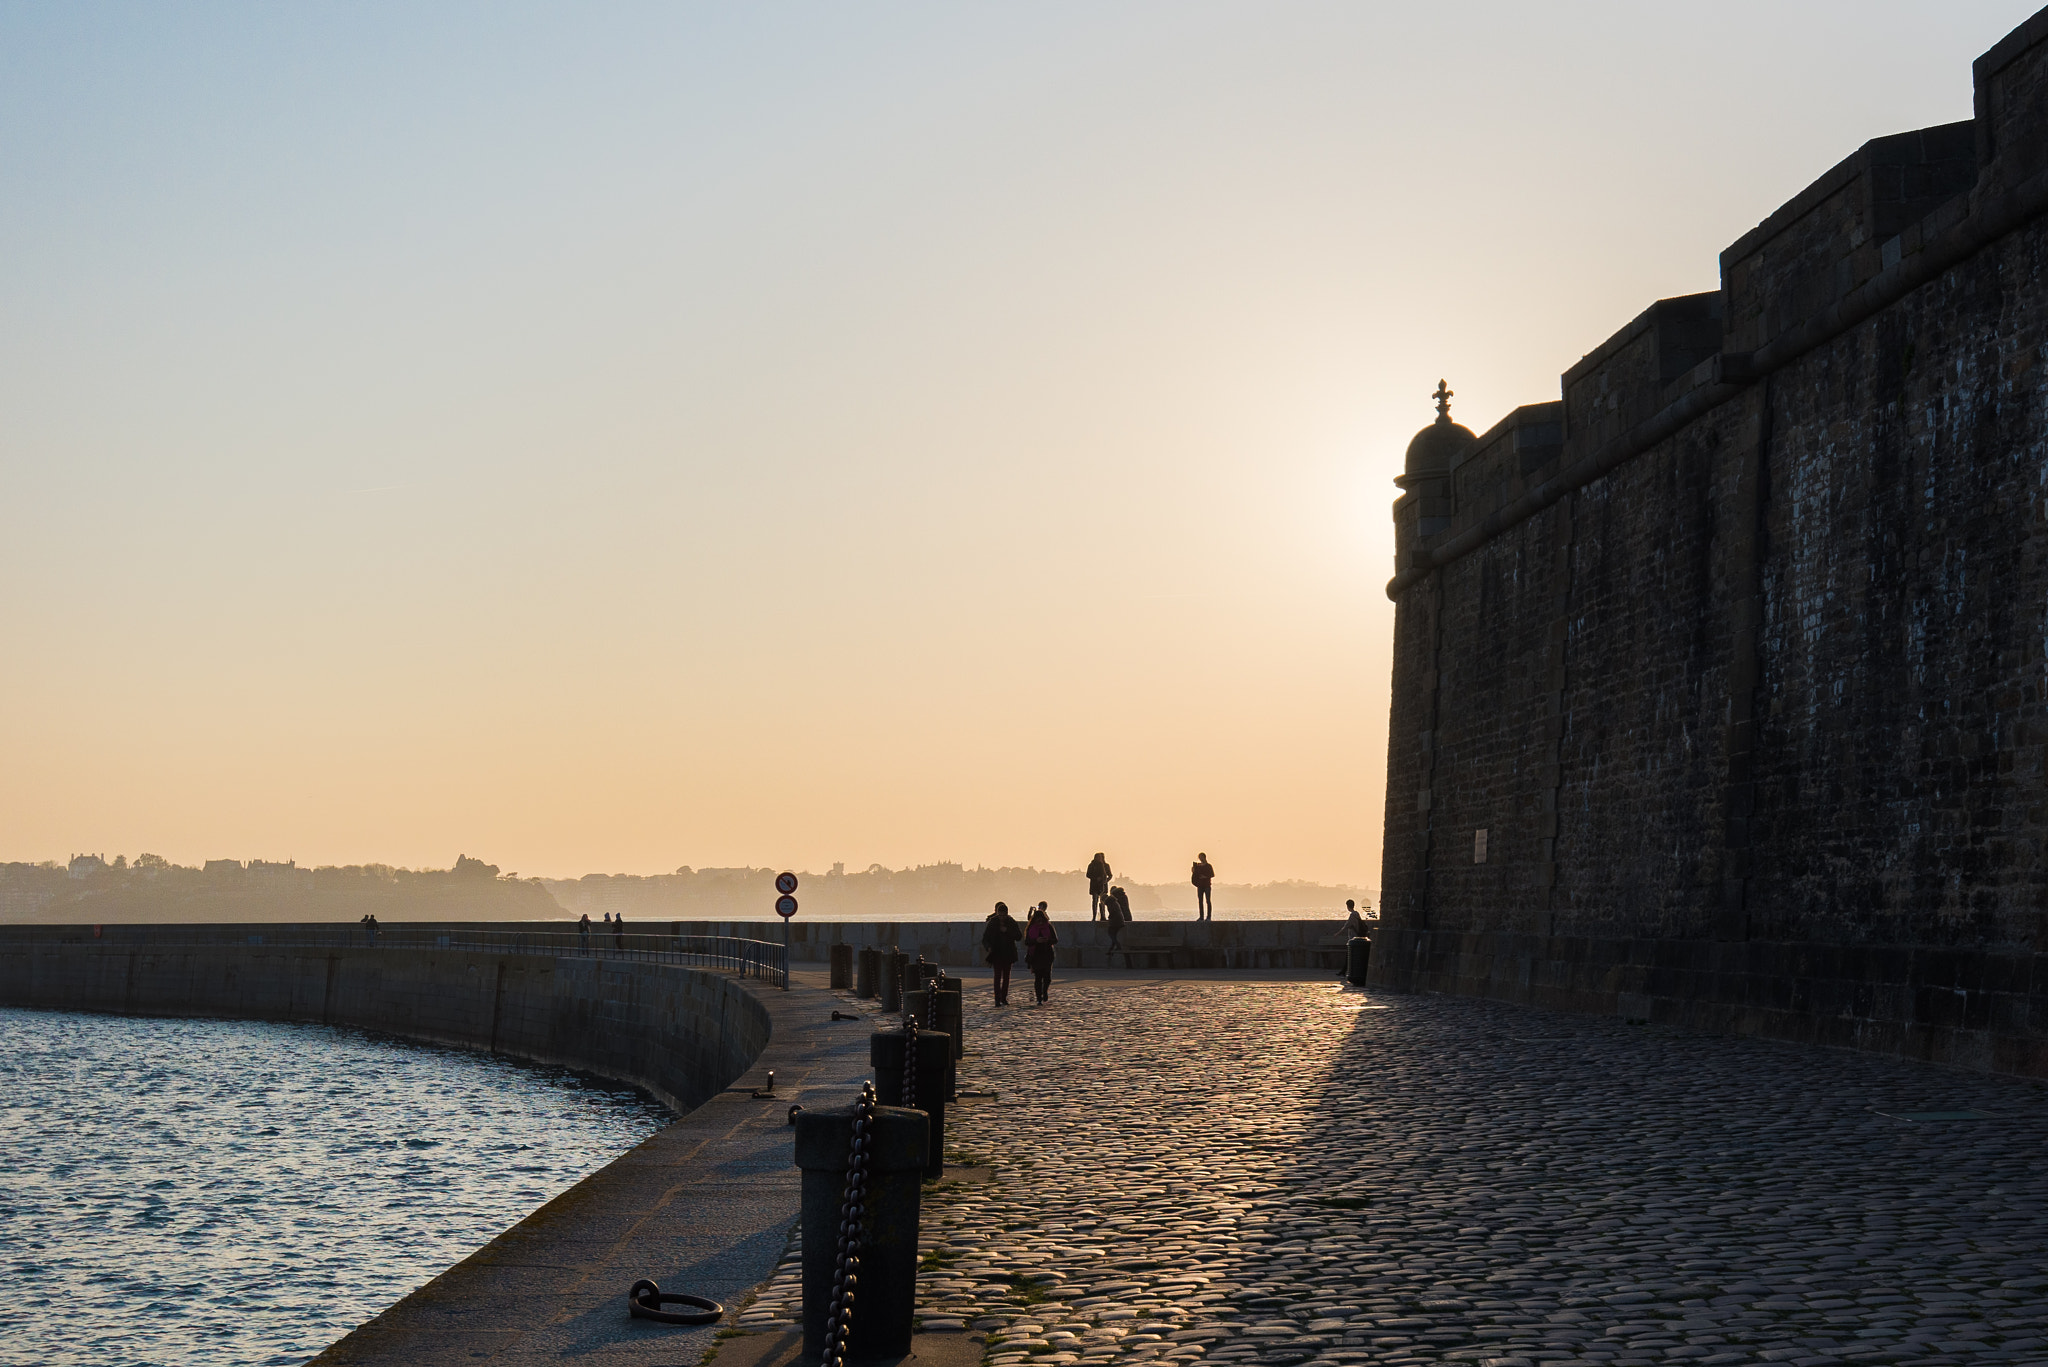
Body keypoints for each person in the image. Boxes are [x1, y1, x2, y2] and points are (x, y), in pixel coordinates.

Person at [982, 902, 1022, 1006]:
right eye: (1000, 915)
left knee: (1006, 977)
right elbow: (985, 938)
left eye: (1003, 915)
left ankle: (1003, 998)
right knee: (997, 976)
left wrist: (1007, 931)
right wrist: (988, 947)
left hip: (1008, 953)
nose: (1002, 918)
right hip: (996, 953)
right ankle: (997, 999)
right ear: (997, 913)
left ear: (1007, 914)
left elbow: (1019, 936)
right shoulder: (992, 923)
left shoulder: (1011, 922)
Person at [1023, 906, 1059, 1005]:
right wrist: (1036, 941)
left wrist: (1048, 940)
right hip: (1035, 955)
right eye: (1037, 920)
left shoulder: (1049, 927)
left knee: (1047, 977)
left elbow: (1055, 940)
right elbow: (1027, 942)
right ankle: (1039, 997)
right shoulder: (1031, 928)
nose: (1040, 922)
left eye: (1041, 920)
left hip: (1047, 953)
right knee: (1038, 977)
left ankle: (1045, 991)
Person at [1086, 853, 1113, 921]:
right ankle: (1094, 916)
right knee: (1095, 901)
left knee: (1103, 901)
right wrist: (1095, 878)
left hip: (1102, 886)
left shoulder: (1106, 866)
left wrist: (1105, 881)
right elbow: (1088, 874)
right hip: (1094, 886)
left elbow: (1110, 875)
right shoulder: (1092, 865)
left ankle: (1103, 916)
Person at [1191, 852, 1215, 921]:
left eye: (1201, 857)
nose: (1200, 859)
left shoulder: (1208, 866)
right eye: (1199, 857)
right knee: (1200, 901)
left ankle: (1208, 917)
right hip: (1200, 886)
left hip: (1207, 885)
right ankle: (1201, 917)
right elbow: (1195, 876)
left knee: (1208, 901)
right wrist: (1193, 871)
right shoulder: (1198, 866)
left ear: (1204, 857)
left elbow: (1212, 874)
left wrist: (1205, 876)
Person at [1105, 886, 1129, 952]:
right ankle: (1112, 948)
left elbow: (1113, 912)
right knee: (1114, 934)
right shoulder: (1120, 898)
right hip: (1122, 919)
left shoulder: (1111, 901)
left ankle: (1117, 946)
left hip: (1117, 921)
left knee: (1111, 933)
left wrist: (1109, 918)